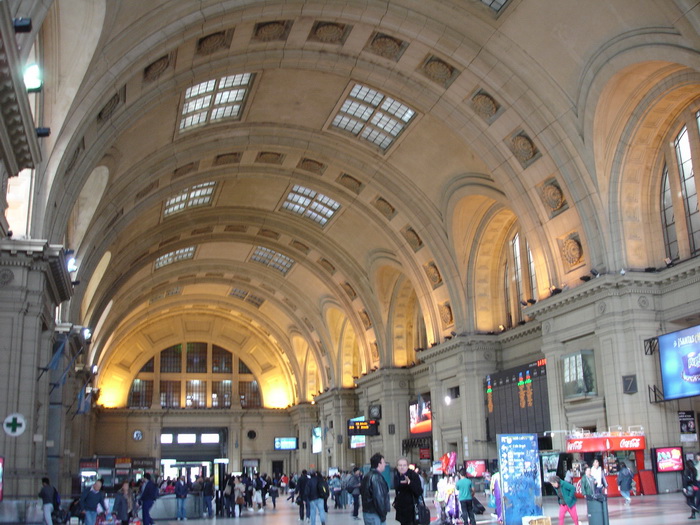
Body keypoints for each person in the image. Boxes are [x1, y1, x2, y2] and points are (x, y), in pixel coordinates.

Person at [361, 453, 390, 525]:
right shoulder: (376, 477)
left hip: (368, 513)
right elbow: (378, 498)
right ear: (379, 464)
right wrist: (383, 514)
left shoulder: (367, 476)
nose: (385, 465)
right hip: (375, 514)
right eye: (383, 462)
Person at [393, 457, 423, 525]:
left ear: (407, 466)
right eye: (400, 465)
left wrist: (409, 483)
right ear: (397, 467)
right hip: (401, 510)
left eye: (404, 465)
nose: (402, 467)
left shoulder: (413, 475)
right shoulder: (397, 476)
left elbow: (419, 491)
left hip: (411, 510)